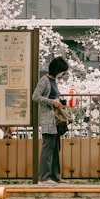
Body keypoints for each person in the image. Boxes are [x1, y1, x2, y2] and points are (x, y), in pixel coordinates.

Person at [32, 56, 69, 184]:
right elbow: (35, 96)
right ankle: (44, 177)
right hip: (48, 120)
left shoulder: (53, 81)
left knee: (55, 148)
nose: (63, 74)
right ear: (57, 70)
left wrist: (60, 102)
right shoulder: (45, 80)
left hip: (56, 121)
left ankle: (55, 176)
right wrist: (52, 102)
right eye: (63, 71)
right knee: (48, 148)